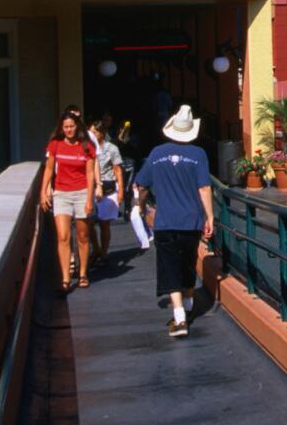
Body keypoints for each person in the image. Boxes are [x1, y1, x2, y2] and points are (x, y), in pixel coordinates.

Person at [134, 105, 213, 338]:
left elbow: (141, 184)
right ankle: (188, 304)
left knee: (169, 266)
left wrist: (141, 207)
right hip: (190, 220)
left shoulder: (157, 154)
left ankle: (179, 317)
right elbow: (204, 187)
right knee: (188, 262)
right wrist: (210, 217)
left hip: (165, 220)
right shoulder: (198, 154)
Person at [40, 110, 99, 292]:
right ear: (61, 128)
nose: (68, 130)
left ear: (77, 126)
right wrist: (43, 192)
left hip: (81, 192)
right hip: (61, 194)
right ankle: (65, 278)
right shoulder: (55, 144)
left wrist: (90, 198)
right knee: (63, 236)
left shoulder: (86, 146)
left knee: (82, 236)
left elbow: (90, 174)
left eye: (71, 126)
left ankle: (82, 273)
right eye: (65, 127)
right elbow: (49, 169)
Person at [88, 116, 125, 266]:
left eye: (95, 132)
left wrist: (121, 190)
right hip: (90, 188)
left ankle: (104, 251)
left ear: (102, 133)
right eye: (90, 132)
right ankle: (95, 248)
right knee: (89, 223)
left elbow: (118, 170)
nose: (92, 135)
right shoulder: (86, 147)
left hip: (107, 188)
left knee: (104, 223)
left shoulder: (112, 149)